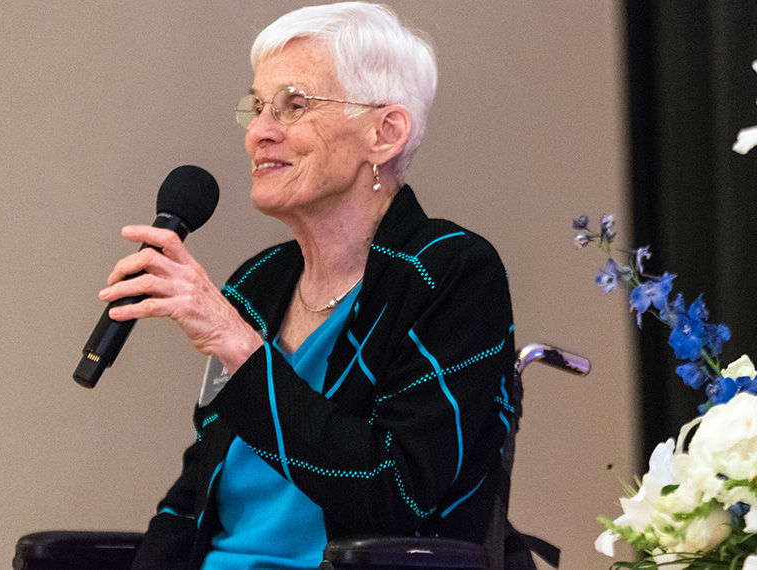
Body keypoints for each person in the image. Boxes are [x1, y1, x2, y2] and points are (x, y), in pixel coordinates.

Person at [98, 3, 516, 569]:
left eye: (294, 106)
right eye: (258, 106)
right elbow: (190, 503)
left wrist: (240, 348)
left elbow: (398, 498)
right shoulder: (258, 283)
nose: (260, 133)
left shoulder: (448, 273)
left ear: (384, 133)